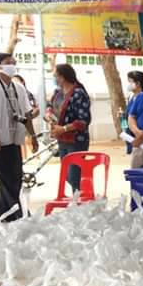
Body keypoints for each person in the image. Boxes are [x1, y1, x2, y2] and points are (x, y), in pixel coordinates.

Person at [0, 53, 38, 221]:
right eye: (8, 63)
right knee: (6, 179)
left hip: (14, 138)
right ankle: (20, 214)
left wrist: (33, 136)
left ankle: (3, 216)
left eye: (14, 62)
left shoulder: (19, 88)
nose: (12, 65)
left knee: (15, 177)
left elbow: (26, 113)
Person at [49, 64, 92, 194]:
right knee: (66, 173)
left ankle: (79, 199)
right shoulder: (58, 93)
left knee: (74, 174)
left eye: (55, 76)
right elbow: (50, 106)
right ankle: (78, 197)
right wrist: (49, 115)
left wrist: (64, 128)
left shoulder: (78, 93)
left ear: (63, 77)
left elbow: (84, 120)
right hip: (62, 139)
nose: (54, 79)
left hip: (76, 140)